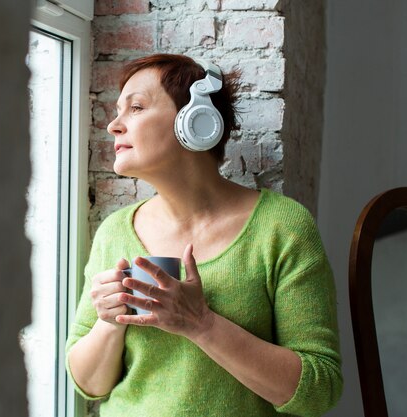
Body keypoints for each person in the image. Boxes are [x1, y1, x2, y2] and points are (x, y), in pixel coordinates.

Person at [65, 54, 342, 417]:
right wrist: (108, 321)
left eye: (135, 107)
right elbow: (89, 385)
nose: (114, 126)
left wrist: (201, 323)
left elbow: (319, 390)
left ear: (194, 122)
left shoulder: (282, 226)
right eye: (118, 111)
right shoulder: (115, 231)